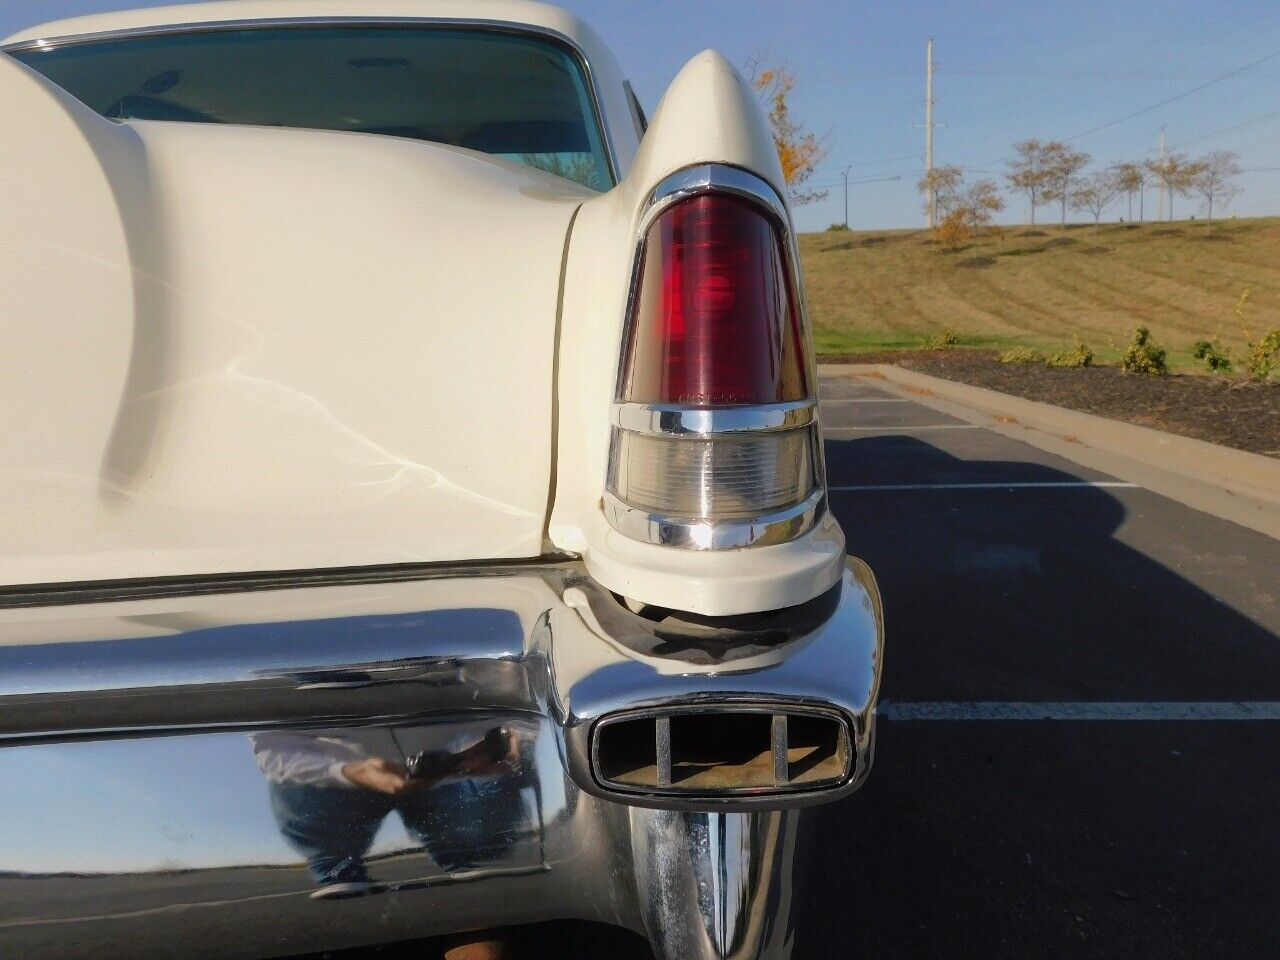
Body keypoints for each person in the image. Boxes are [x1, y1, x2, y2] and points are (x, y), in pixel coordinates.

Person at [251, 722, 528, 960]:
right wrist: (346, 772)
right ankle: (337, 872)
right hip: (339, 775)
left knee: (478, 875)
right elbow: (271, 745)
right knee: (300, 795)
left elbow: (518, 691)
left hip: (452, 763)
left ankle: (475, 880)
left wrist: (508, 739)